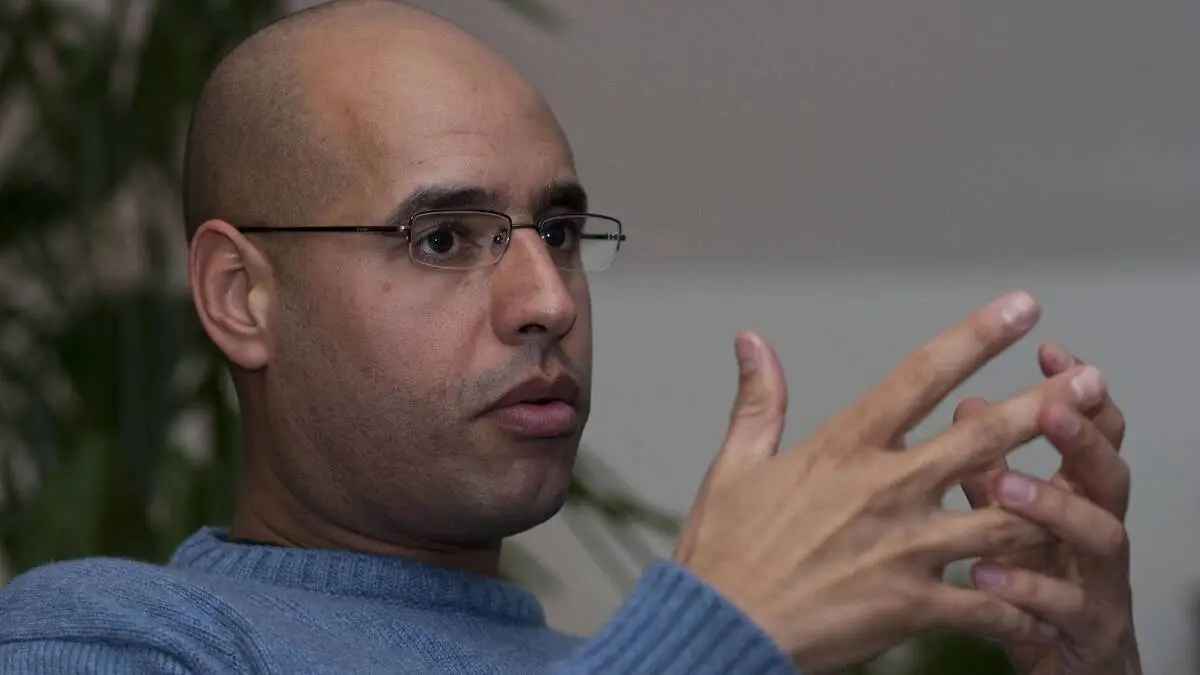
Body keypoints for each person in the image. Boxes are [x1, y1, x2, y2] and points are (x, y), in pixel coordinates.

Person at [0, 1, 1141, 673]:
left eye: (556, 230)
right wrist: (720, 631)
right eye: (443, 239)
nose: (547, 298)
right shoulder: (101, 635)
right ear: (241, 297)